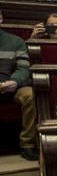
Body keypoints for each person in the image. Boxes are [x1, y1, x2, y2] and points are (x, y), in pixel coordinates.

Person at [0, 10, 38, 160]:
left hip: (11, 86)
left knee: (31, 94)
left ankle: (27, 144)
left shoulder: (15, 41)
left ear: (1, 18)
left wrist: (14, 81)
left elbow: (24, 68)